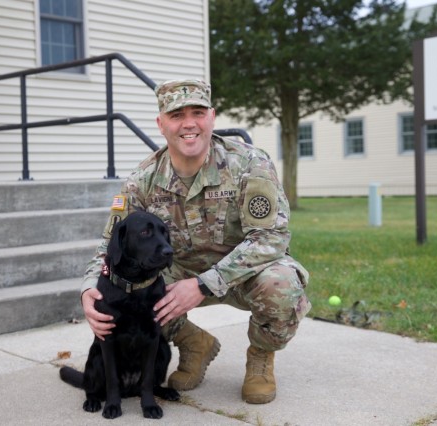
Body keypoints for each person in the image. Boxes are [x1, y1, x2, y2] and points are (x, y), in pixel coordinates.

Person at [80, 79, 311, 404]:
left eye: (198, 112)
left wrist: (204, 284)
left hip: (242, 274)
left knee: (281, 283)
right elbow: (110, 245)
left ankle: (261, 356)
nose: (189, 123)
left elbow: (271, 238)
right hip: (176, 275)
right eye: (177, 115)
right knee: (127, 286)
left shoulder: (248, 163)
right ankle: (192, 342)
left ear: (212, 117)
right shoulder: (143, 181)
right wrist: (90, 287)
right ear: (161, 124)